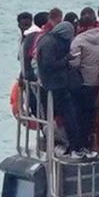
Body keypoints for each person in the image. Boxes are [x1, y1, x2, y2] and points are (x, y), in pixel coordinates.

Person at [33, 8, 77, 148]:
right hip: (55, 84)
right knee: (68, 115)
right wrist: (66, 59)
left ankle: (66, 141)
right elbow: (48, 64)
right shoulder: (50, 42)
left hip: (54, 83)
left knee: (64, 114)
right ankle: (72, 144)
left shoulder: (46, 39)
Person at [68, 9, 99, 152]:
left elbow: (75, 62)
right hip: (95, 82)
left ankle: (79, 146)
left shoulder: (79, 40)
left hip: (81, 82)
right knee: (90, 115)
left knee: (78, 115)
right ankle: (89, 143)